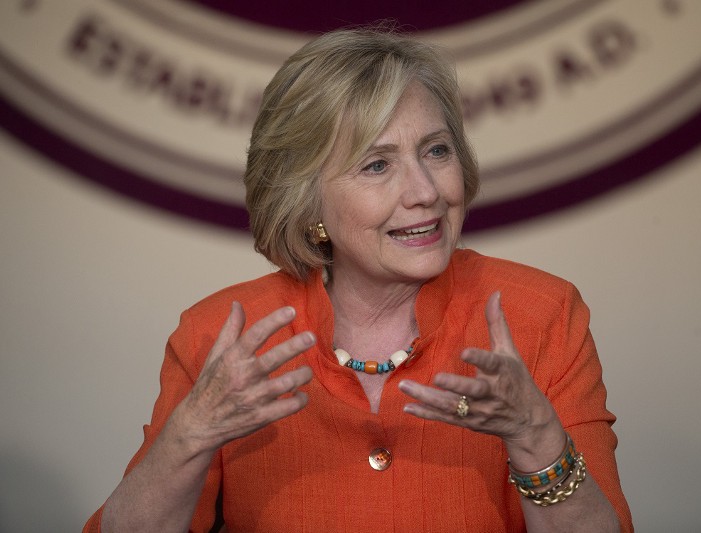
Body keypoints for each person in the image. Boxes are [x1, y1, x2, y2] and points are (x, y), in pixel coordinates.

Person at [84, 27, 632, 532]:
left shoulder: (541, 314)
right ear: (305, 196)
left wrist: (538, 440)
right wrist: (189, 437)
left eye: (436, 151)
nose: (426, 191)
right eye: (377, 165)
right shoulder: (223, 335)